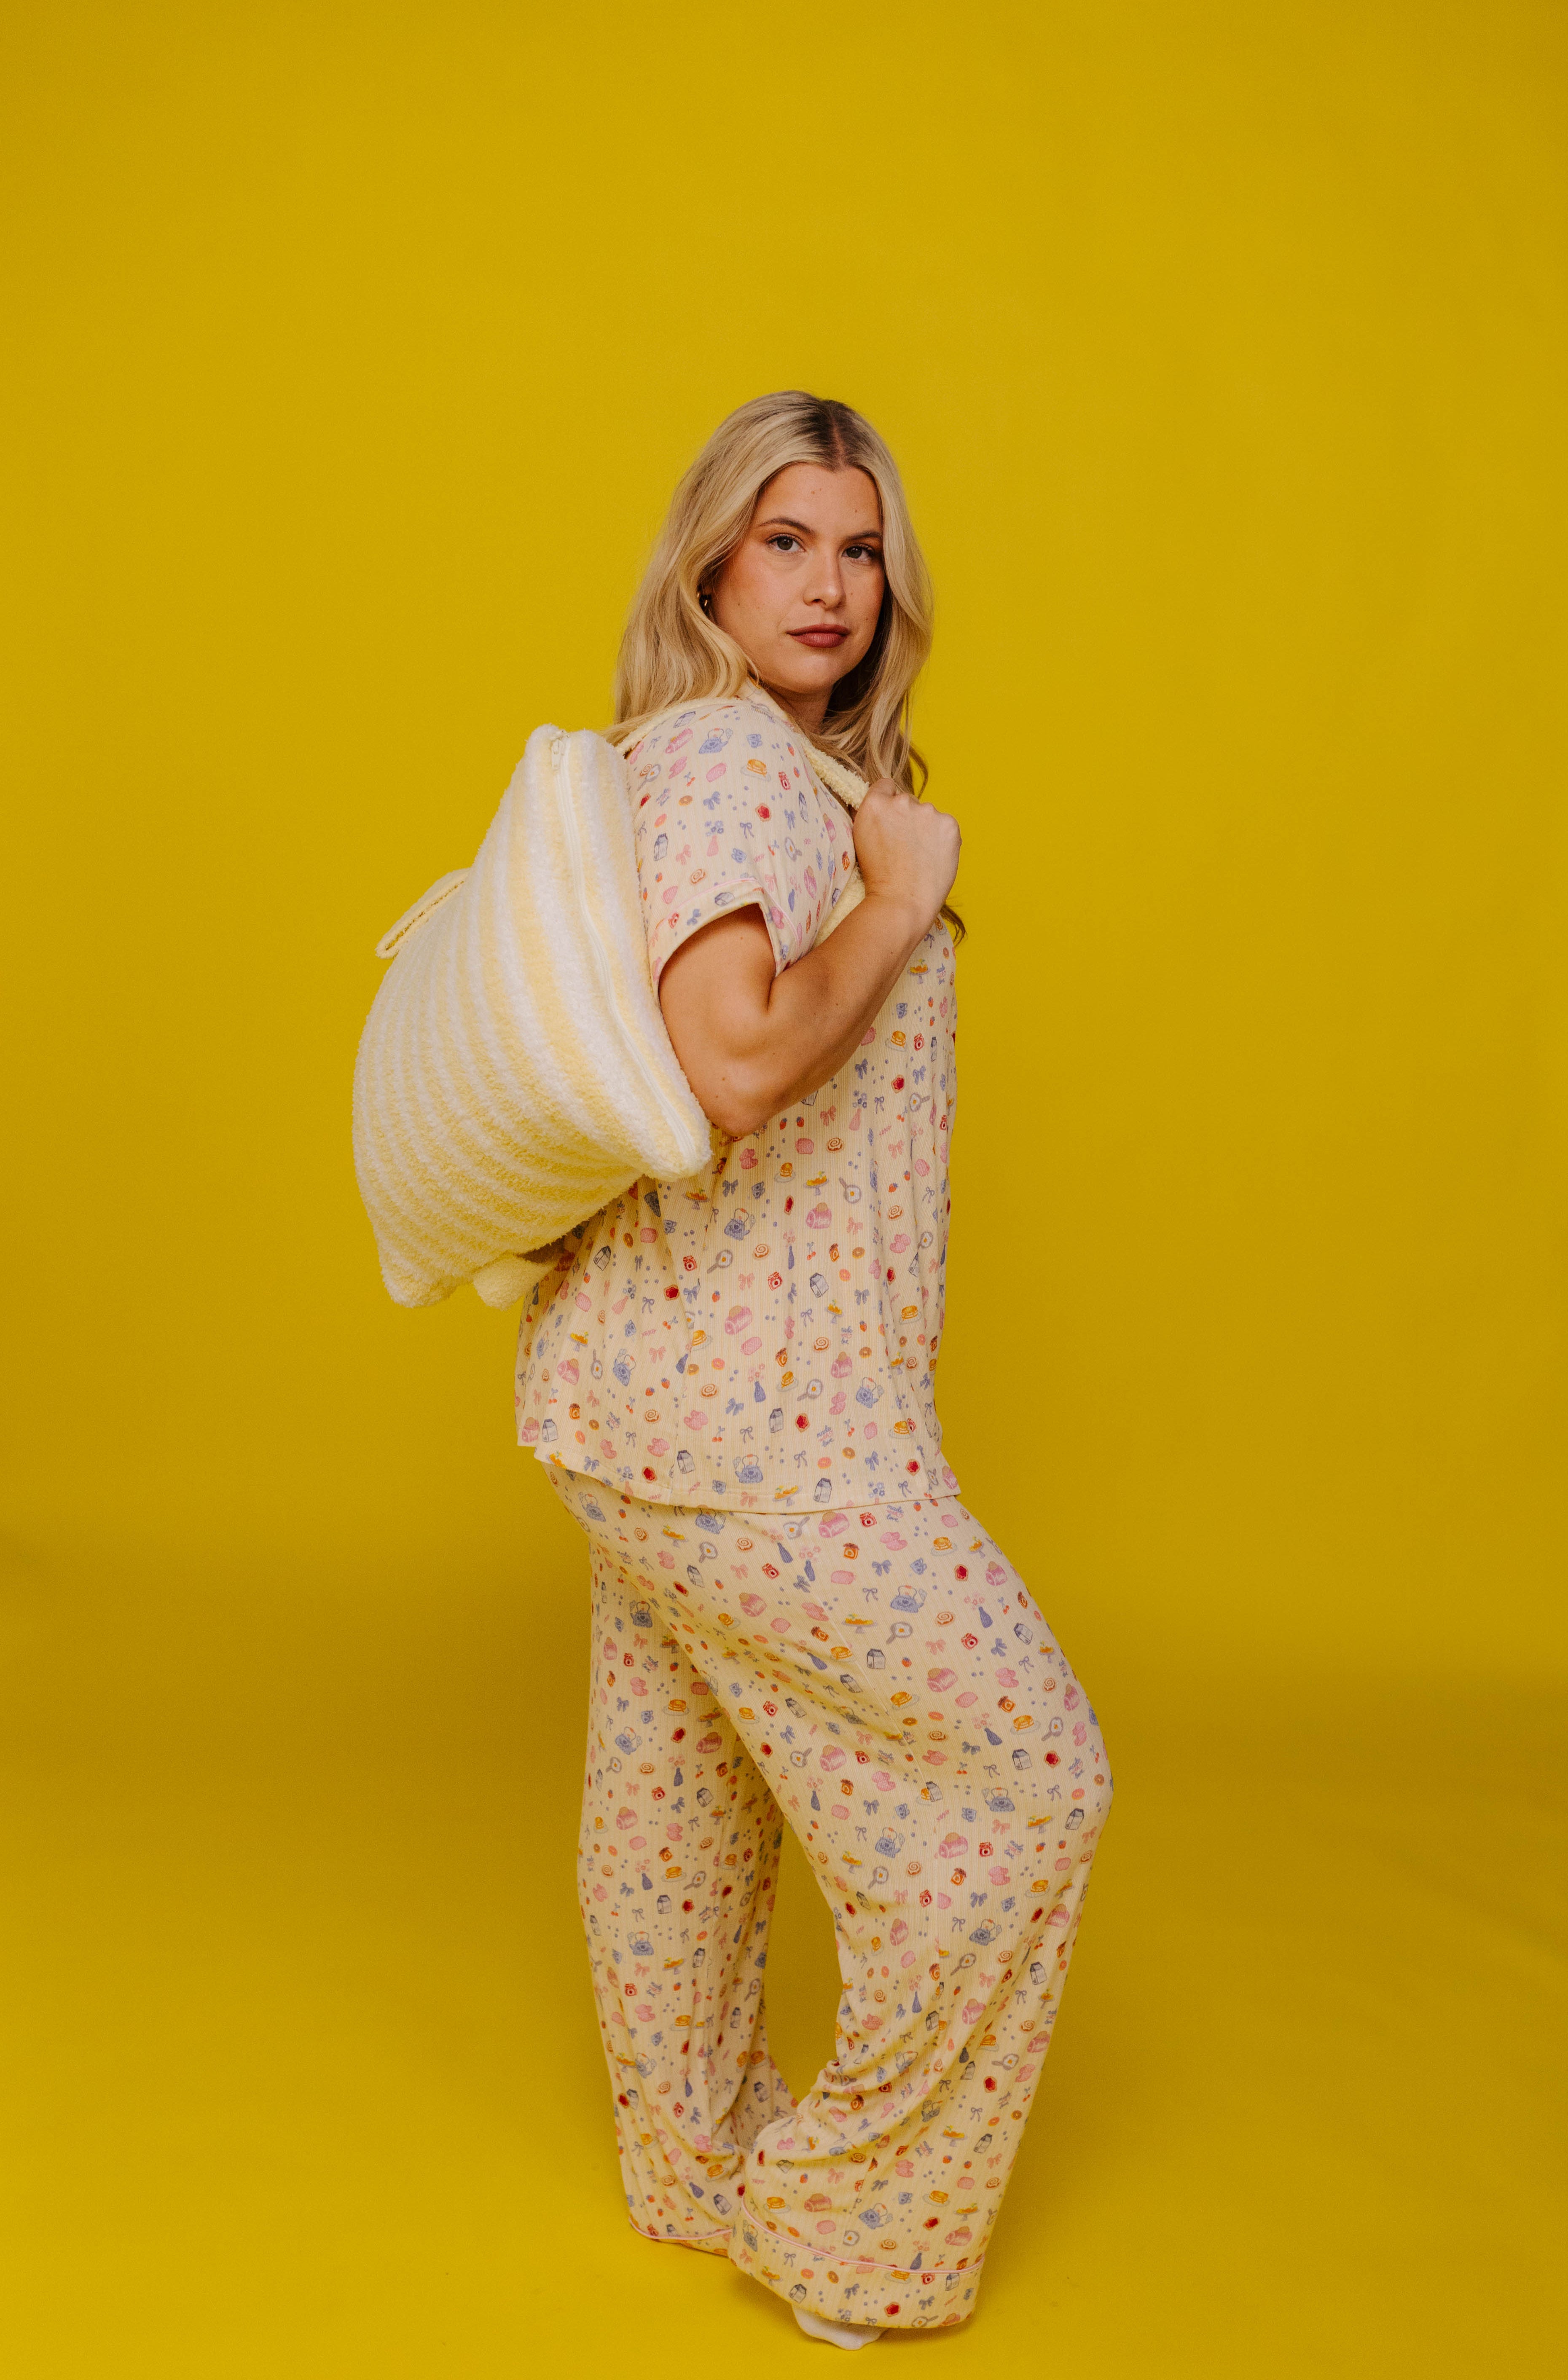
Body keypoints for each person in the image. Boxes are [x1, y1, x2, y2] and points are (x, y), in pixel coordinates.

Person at [514, 392, 1112, 2345]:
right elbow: (735, 1060)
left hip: (652, 1390)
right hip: (760, 1418)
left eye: (860, 550)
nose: (833, 585)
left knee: (680, 1794)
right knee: (1031, 1777)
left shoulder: (745, 765)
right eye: (789, 540)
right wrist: (899, 896)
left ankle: (689, 2163)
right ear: (710, 558)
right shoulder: (716, 758)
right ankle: (847, 2222)